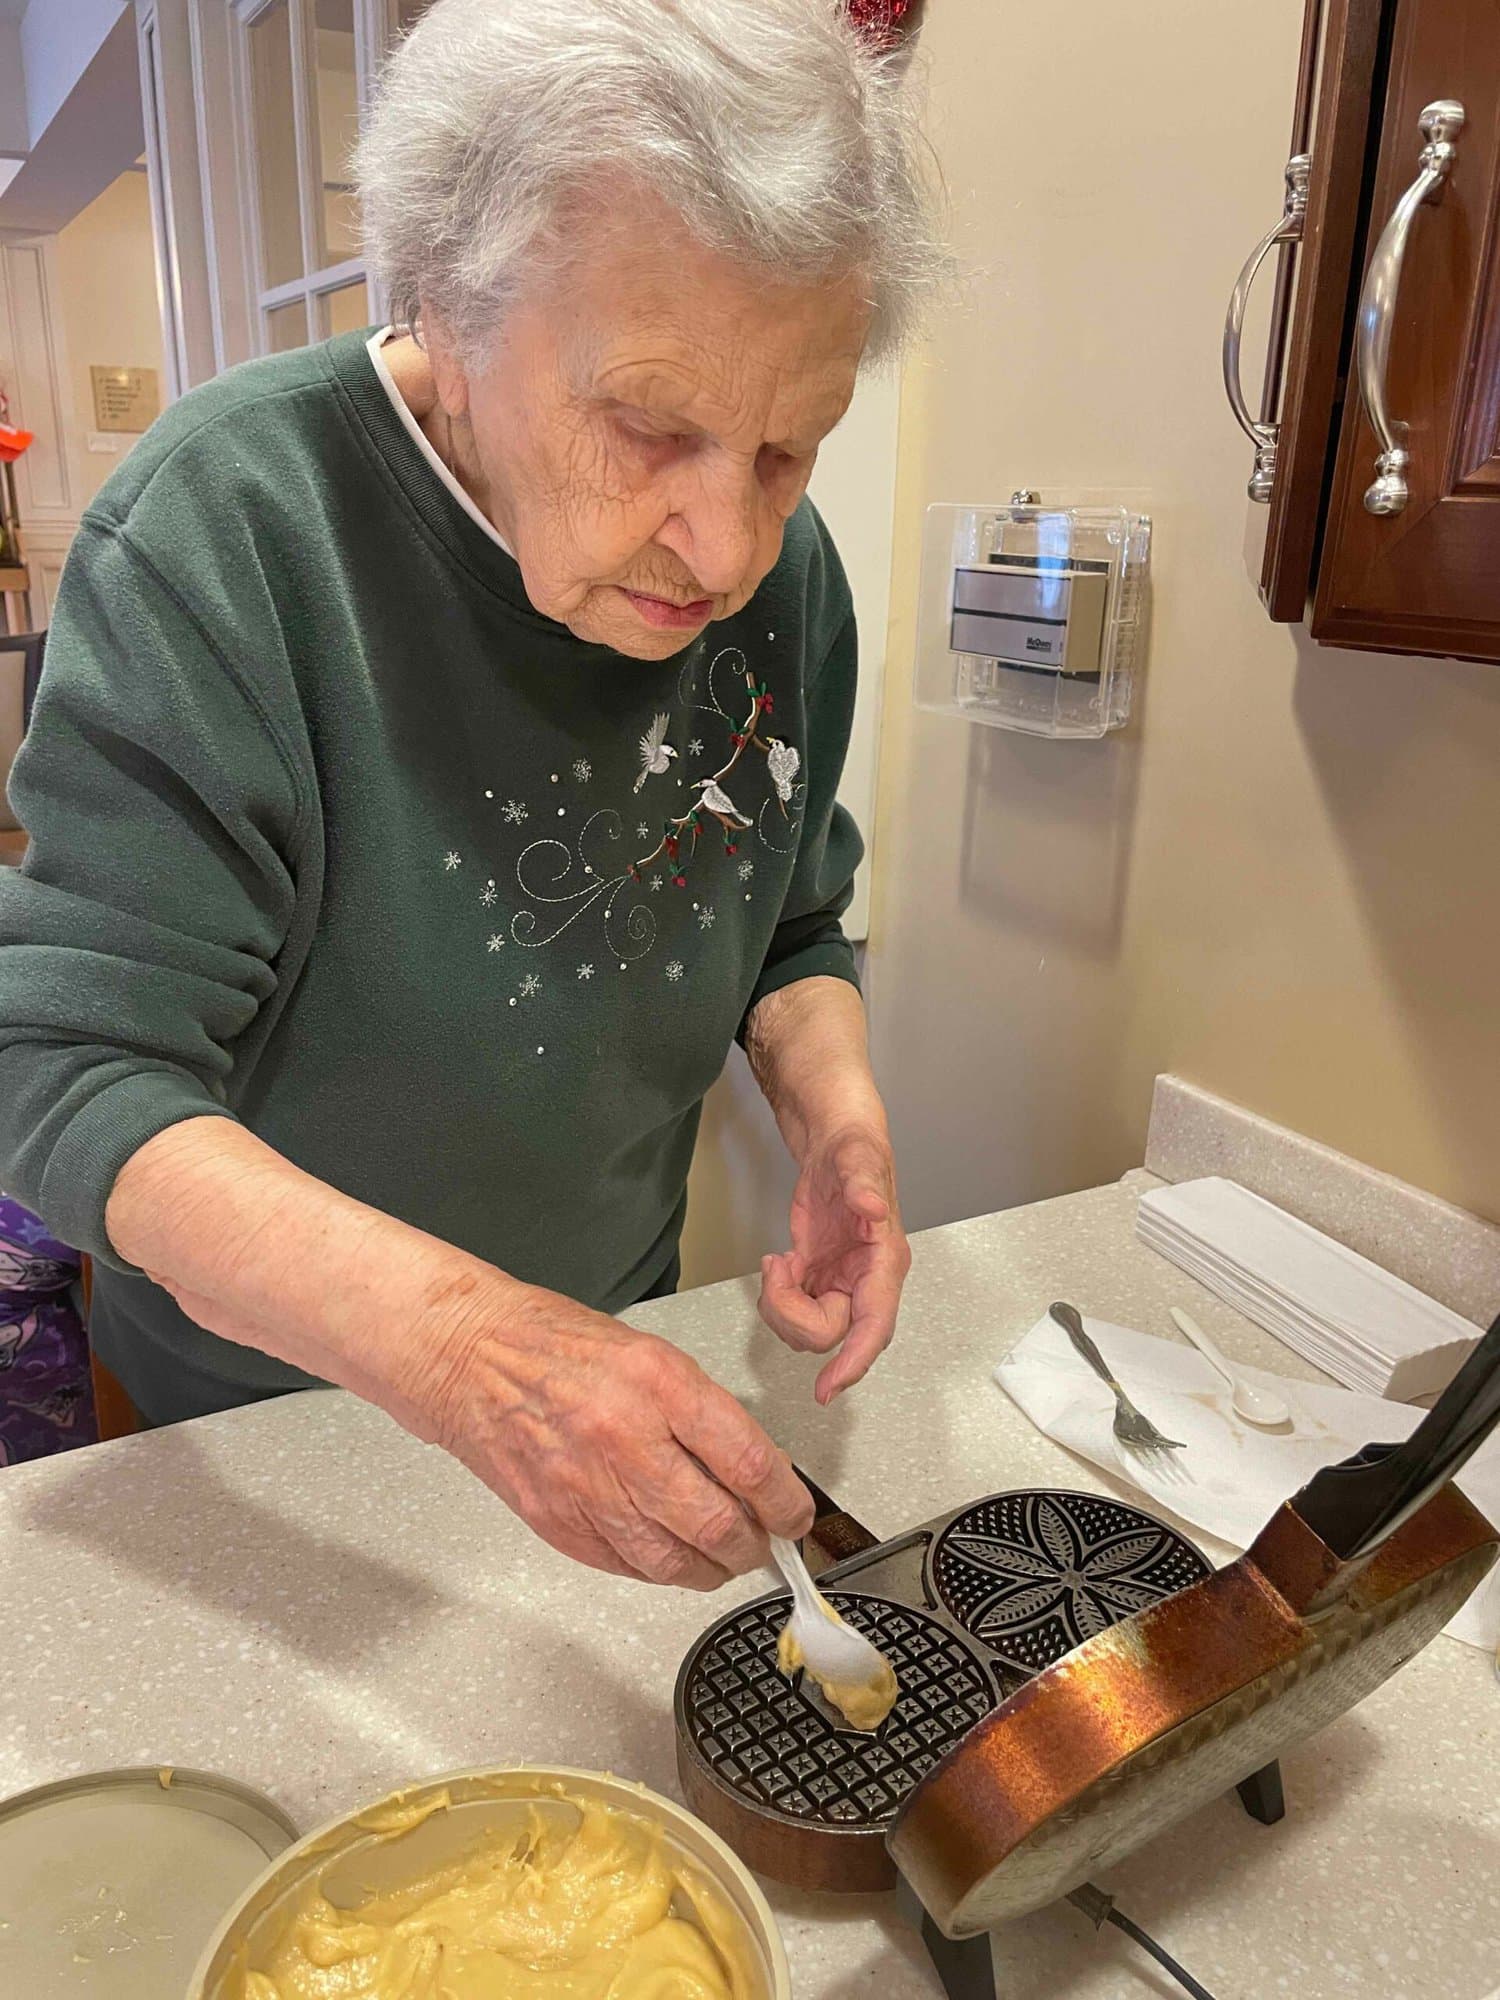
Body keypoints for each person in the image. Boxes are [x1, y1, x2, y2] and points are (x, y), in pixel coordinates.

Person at [0, 0, 940, 1585]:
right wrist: (472, 1357)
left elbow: (789, 924)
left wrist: (837, 1126)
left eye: (792, 449)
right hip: (261, 1430)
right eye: (651, 429)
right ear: (443, 298)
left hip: (617, 1362)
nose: (729, 551)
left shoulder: (787, 587)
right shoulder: (226, 532)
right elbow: (67, 1070)